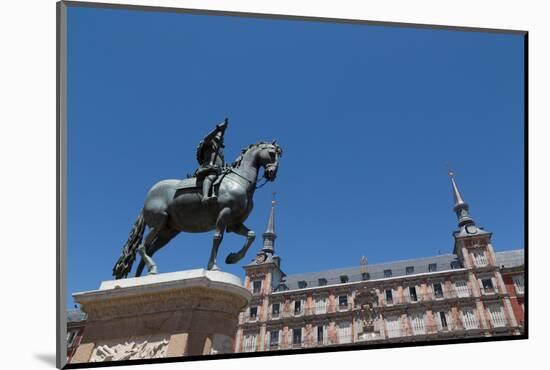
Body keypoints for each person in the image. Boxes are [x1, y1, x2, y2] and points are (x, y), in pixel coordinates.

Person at [195, 118, 228, 204]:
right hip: (208, 168)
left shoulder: (220, 153)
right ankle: (205, 197)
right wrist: (218, 129)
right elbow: (206, 139)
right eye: (218, 136)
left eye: (221, 137)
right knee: (211, 176)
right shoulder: (210, 144)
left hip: (218, 170)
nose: (220, 138)